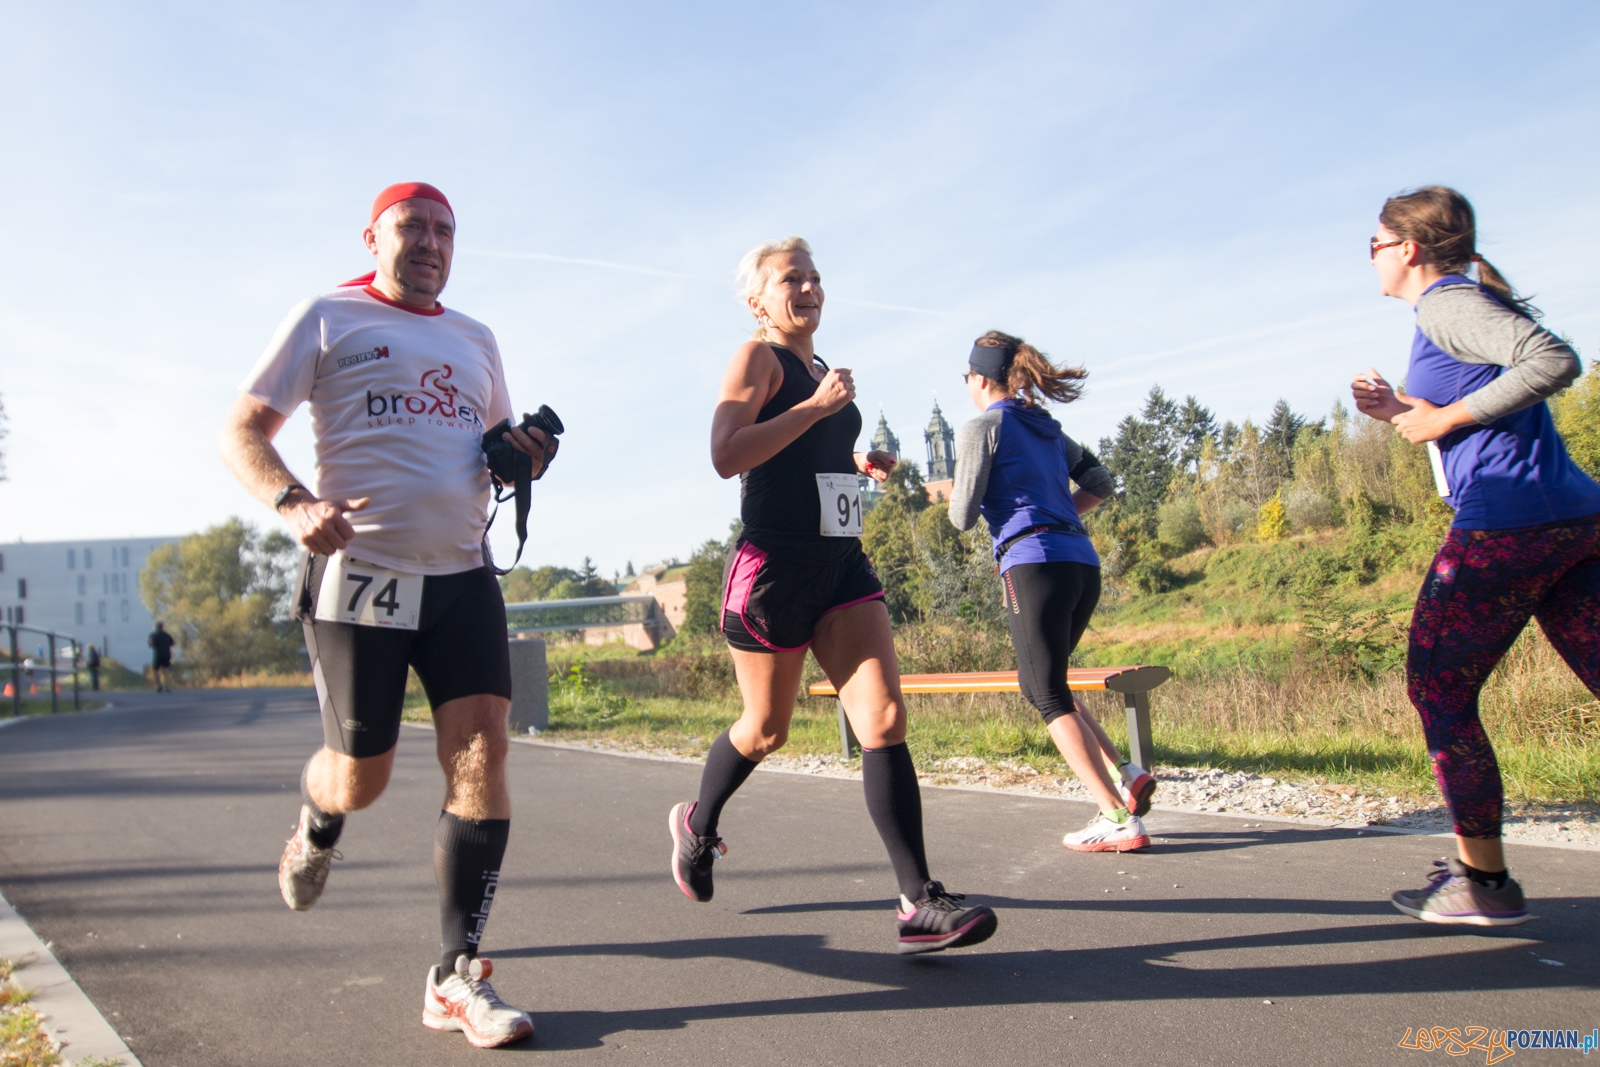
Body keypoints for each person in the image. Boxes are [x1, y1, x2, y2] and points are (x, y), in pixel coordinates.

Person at [220, 182, 547, 1046]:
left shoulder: (476, 338)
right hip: (361, 575)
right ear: (373, 237)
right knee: (359, 776)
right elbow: (241, 429)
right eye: (412, 227)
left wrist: (523, 456)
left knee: (483, 749)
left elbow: (494, 445)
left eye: (445, 230)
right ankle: (317, 820)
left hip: (462, 574)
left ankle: (455, 972)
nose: (430, 242)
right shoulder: (327, 317)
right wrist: (293, 502)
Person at [668, 236, 998, 955]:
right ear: (758, 299)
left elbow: (801, 453)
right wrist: (818, 409)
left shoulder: (819, 370)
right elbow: (727, 453)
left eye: (815, 276)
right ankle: (698, 823)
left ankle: (917, 901)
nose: (809, 287)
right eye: (792, 278)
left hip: (841, 563)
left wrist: (855, 460)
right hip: (774, 569)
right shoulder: (757, 359)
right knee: (766, 729)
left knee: (883, 716)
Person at [1353, 185, 1600, 926]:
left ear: (1409, 249)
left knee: (1439, 691)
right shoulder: (1458, 306)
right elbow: (1480, 412)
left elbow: (1553, 360)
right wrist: (1404, 412)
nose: (1370, 257)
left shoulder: (1447, 303)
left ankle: (1483, 884)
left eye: (1374, 244)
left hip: (1506, 527)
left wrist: (1445, 418)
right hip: (1573, 520)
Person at [947, 331, 1155, 853]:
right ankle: (1126, 772)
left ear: (979, 378)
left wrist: (1020, 521)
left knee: (1043, 692)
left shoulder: (982, 428)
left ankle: (1117, 816)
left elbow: (962, 516)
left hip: (1034, 565)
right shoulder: (1047, 428)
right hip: (1081, 563)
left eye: (966, 377)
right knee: (1050, 681)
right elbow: (1102, 482)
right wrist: (1057, 516)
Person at [148, 623, 175, 692]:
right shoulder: (167, 635)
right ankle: (167, 686)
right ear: (162, 627)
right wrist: (166, 645)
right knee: (166, 670)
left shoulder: (154, 635)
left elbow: (150, 643)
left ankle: (159, 684)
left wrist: (155, 645)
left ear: (156, 627)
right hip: (167, 654)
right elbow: (173, 643)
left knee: (156, 670)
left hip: (158, 654)